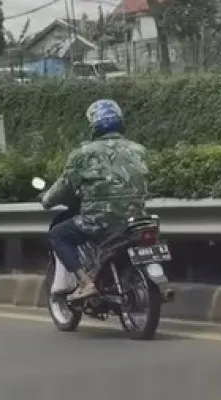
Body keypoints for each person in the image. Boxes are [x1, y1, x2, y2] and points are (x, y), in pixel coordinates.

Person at [41, 99, 149, 301]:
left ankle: (86, 283)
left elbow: (64, 187)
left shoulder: (82, 154)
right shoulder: (139, 149)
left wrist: (46, 200)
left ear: (93, 125)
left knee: (58, 235)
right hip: (136, 220)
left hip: (98, 221)